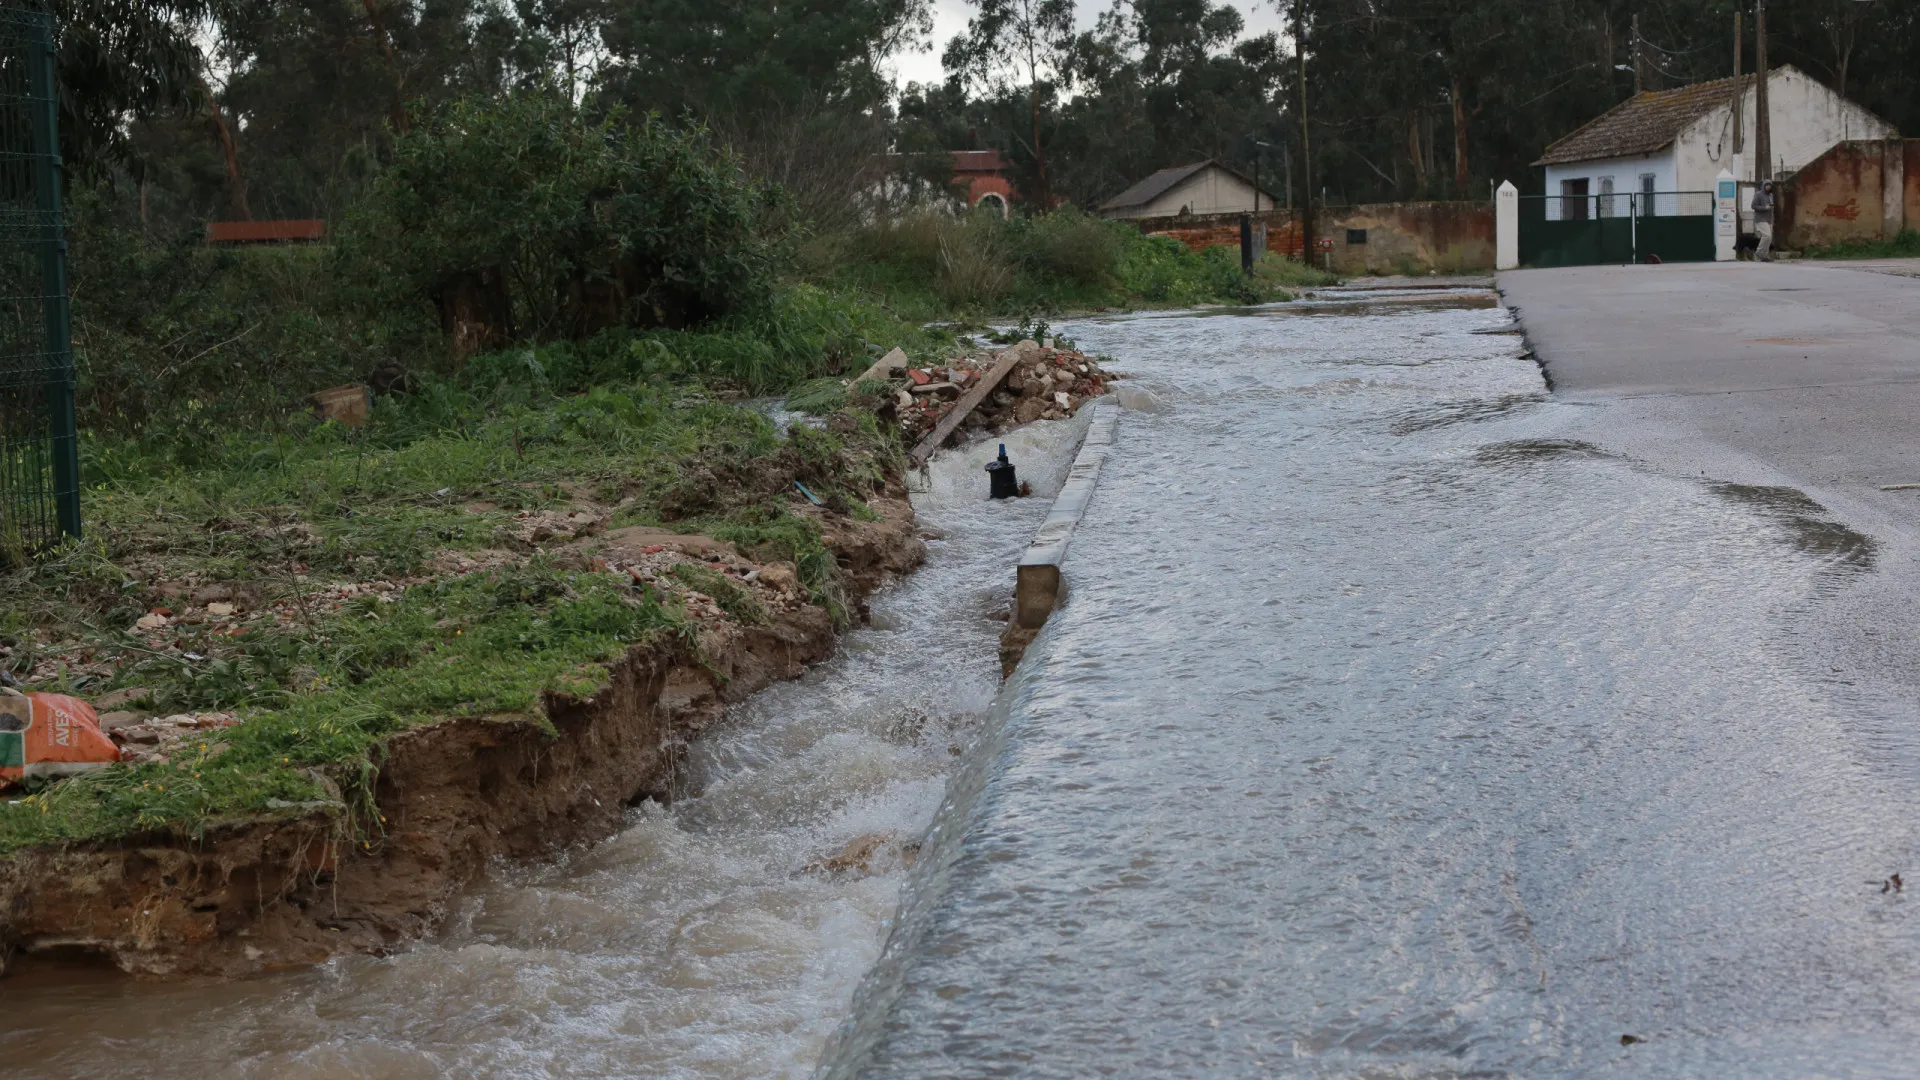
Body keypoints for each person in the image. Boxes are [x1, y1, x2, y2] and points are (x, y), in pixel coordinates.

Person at [1752, 180, 1775, 262]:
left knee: (1769, 238)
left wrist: (1770, 208)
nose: (1768, 186)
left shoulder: (1771, 195)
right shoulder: (1758, 194)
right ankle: (1758, 252)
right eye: (1767, 185)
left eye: (1770, 185)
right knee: (1767, 236)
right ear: (1763, 186)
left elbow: (1771, 206)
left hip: (1769, 219)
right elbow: (1753, 206)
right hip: (1760, 219)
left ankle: (1764, 256)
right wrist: (1765, 207)